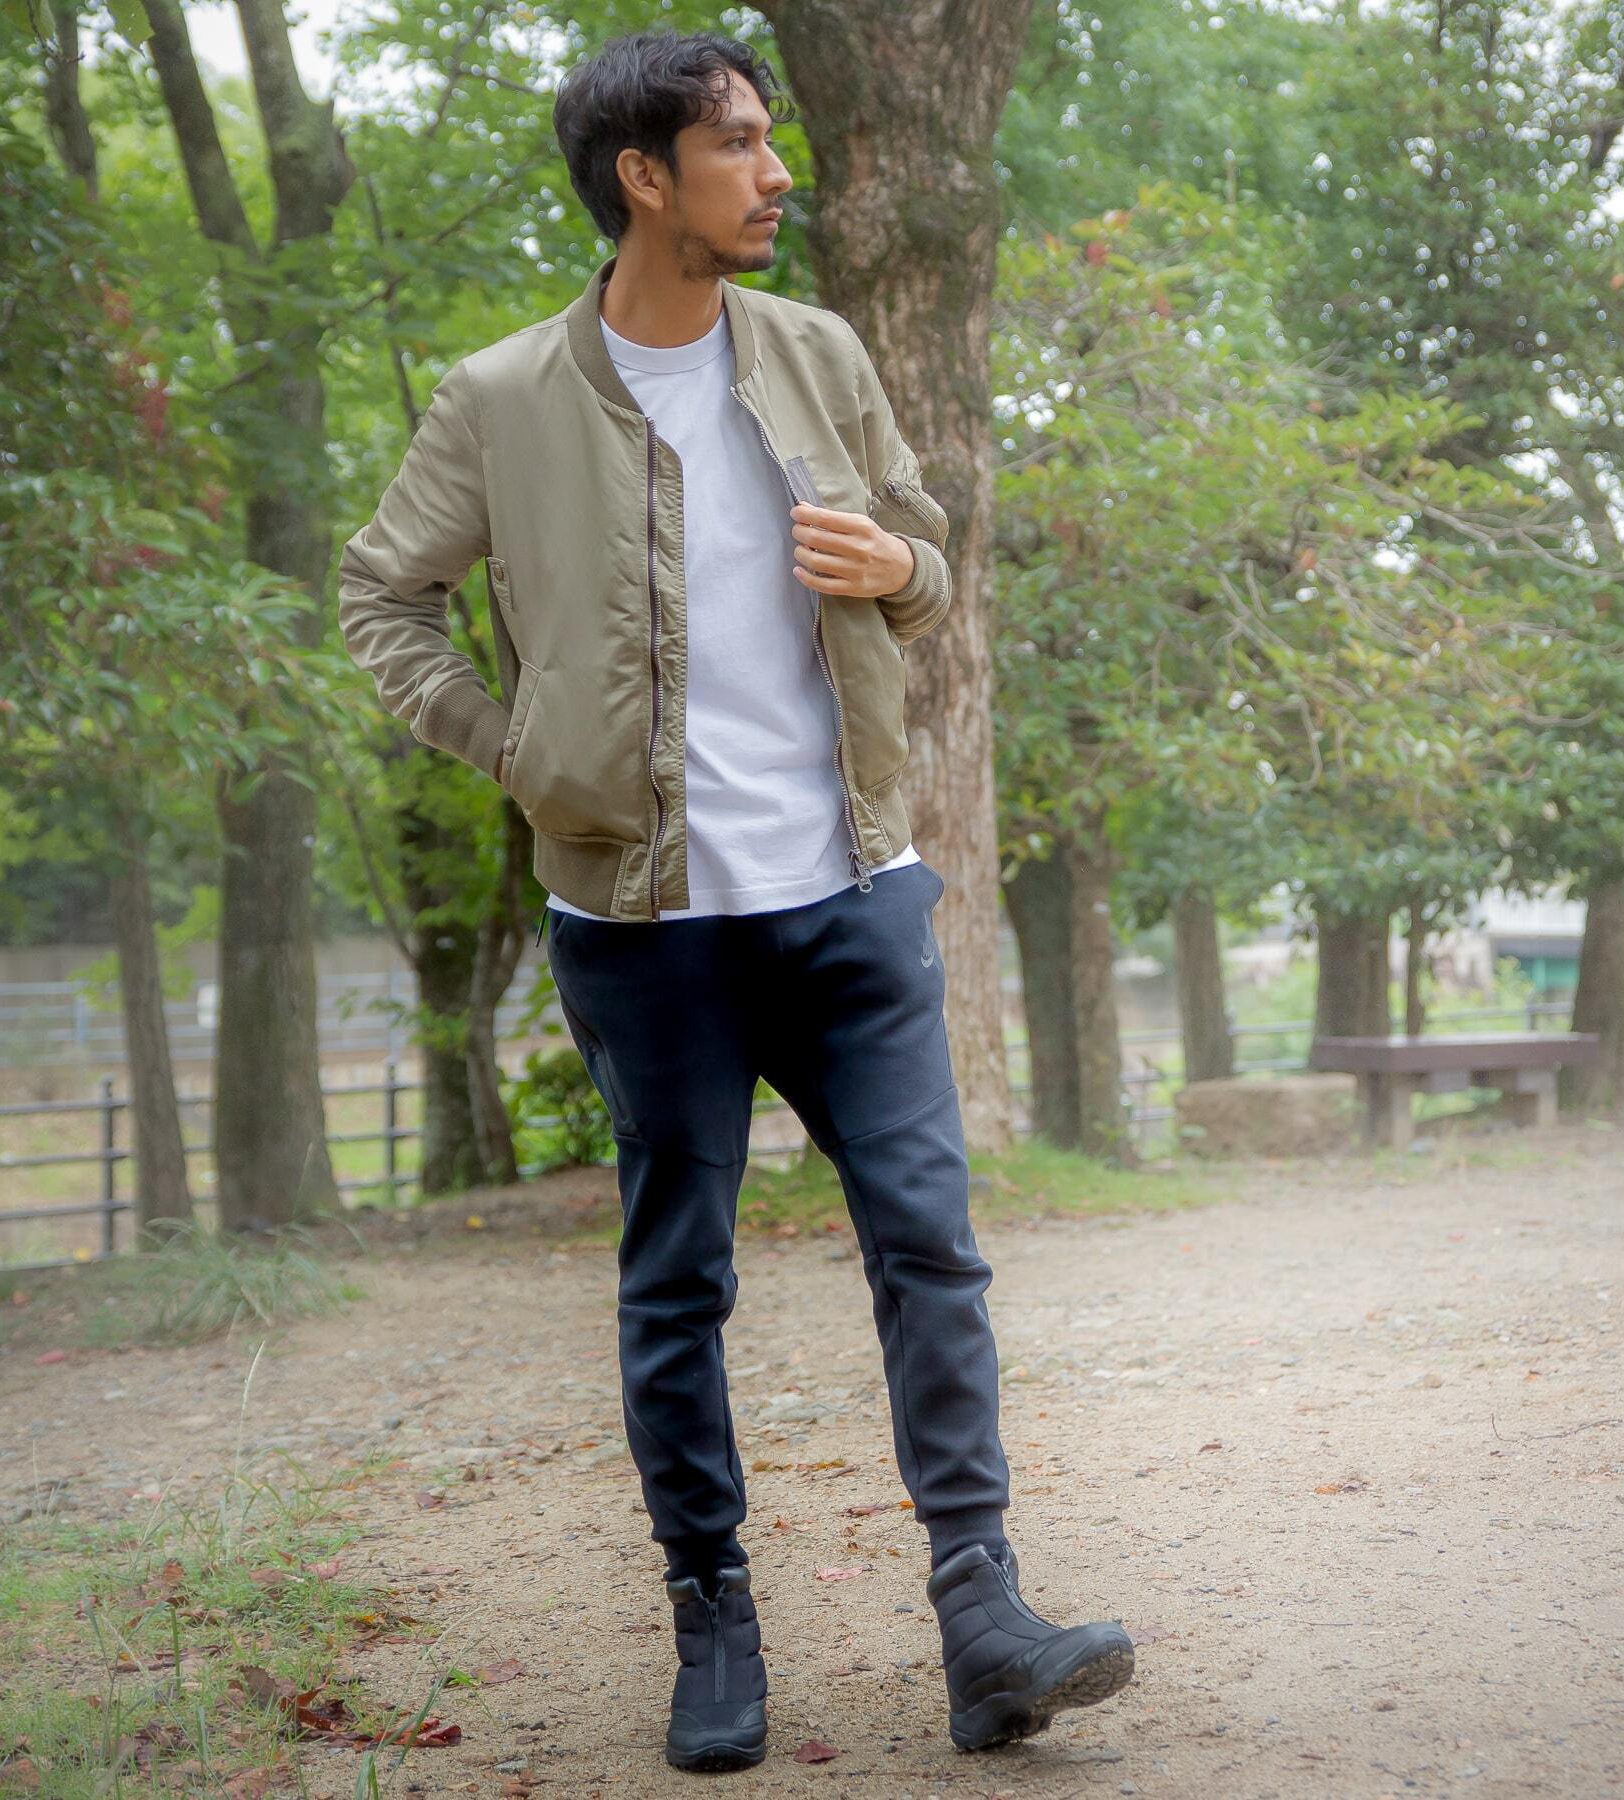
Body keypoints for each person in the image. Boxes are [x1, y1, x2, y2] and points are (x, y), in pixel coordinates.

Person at [338, 26, 1135, 1777]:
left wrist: (901, 563)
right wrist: (522, 750)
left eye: (771, 143)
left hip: (852, 889)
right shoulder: (500, 399)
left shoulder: (818, 352)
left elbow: (925, 557)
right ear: (646, 177)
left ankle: (984, 1613)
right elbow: (381, 599)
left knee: (930, 1245)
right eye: (741, 146)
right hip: (646, 927)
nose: (778, 175)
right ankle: (712, 1616)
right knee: (677, 1282)